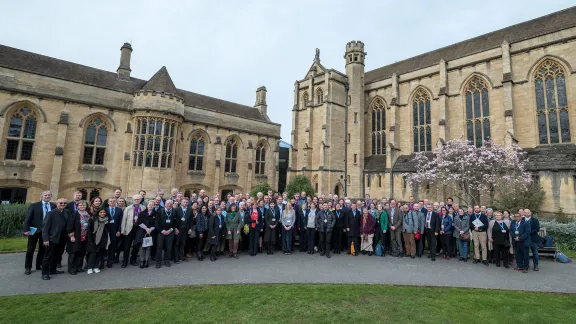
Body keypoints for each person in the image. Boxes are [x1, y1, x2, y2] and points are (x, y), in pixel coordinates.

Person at [23, 190, 56, 275]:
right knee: (30, 249)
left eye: (49, 195)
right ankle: (28, 267)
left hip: (46, 231)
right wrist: (26, 229)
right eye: (45, 195)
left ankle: (39, 265)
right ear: (41, 196)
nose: (47, 196)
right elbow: (28, 218)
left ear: (51, 196)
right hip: (34, 230)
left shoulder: (53, 206)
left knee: (43, 249)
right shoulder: (34, 205)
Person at [40, 198, 68, 280]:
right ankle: (44, 273)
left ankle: (53, 269)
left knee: (57, 255)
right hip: (52, 237)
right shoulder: (51, 213)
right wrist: (45, 239)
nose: (62, 204)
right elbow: (45, 227)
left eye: (64, 203)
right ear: (57, 203)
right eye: (61, 203)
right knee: (48, 256)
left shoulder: (67, 212)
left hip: (62, 238)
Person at [66, 200, 89, 275]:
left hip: (85, 237)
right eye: (81, 205)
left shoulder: (88, 214)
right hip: (76, 237)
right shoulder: (74, 214)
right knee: (73, 253)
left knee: (82, 253)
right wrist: (71, 236)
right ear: (78, 206)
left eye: (84, 205)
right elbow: (70, 226)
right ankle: (71, 269)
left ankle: (79, 267)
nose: (82, 206)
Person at [120, 195, 143, 268]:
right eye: (135, 199)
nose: (136, 200)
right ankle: (125, 261)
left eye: (138, 199)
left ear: (140, 200)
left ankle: (133, 260)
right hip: (129, 229)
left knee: (136, 246)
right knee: (127, 246)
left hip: (139, 229)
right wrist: (123, 230)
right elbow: (124, 220)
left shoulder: (143, 207)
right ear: (132, 200)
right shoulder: (128, 208)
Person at [86, 208, 110, 275]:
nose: (102, 213)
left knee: (99, 254)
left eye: (104, 212)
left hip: (102, 240)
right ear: (98, 213)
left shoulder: (107, 220)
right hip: (94, 240)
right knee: (93, 254)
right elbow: (89, 231)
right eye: (101, 212)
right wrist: (90, 240)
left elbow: (107, 231)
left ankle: (96, 266)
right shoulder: (93, 219)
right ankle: (89, 267)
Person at [135, 200, 157, 269]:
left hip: (151, 232)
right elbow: (139, 222)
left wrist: (151, 229)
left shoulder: (156, 214)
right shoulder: (142, 213)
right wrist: (146, 228)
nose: (150, 206)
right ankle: (142, 260)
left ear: (154, 206)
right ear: (147, 205)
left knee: (148, 247)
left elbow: (156, 223)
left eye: (152, 205)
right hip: (143, 231)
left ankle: (146, 260)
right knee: (142, 247)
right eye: (149, 205)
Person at [155, 199, 176, 268]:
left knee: (168, 247)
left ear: (172, 204)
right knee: (159, 247)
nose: (169, 205)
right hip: (161, 232)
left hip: (170, 232)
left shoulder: (174, 211)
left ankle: (166, 260)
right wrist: (162, 231)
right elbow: (156, 223)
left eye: (170, 203)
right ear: (165, 204)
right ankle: (158, 261)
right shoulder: (160, 211)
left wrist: (171, 230)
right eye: (167, 203)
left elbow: (176, 223)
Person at [105, 197, 123, 267]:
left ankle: (110, 261)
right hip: (106, 231)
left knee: (112, 246)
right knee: (105, 246)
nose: (112, 202)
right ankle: (102, 261)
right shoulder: (105, 210)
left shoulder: (119, 210)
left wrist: (119, 230)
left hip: (115, 231)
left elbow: (121, 221)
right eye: (110, 201)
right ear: (108, 202)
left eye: (113, 201)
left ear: (116, 202)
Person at [174, 198, 192, 263]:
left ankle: (181, 257)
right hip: (178, 229)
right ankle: (176, 258)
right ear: (181, 202)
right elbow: (174, 220)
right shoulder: (176, 209)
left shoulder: (190, 210)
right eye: (184, 202)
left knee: (183, 243)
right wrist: (175, 228)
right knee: (177, 244)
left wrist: (190, 228)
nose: (185, 203)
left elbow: (191, 220)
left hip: (185, 229)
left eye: (186, 202)